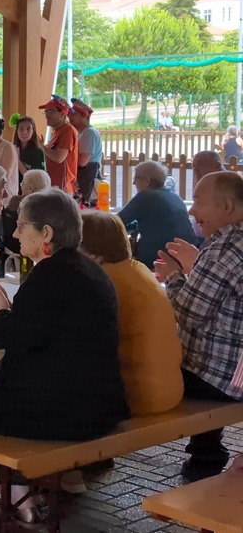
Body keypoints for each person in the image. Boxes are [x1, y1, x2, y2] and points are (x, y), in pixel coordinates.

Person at [0, 188, 129, 533]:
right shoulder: (89, 270)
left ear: (46, 233)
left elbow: (15, 340)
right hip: (97, 404)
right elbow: (39, 336)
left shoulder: (48, 275)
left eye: (22, 226)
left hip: (57, 413)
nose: (15, 233)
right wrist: (8, 311)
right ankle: (19, 493)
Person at [155, 172, 243, 482]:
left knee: (135, 368)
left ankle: (91, 455)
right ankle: (206, 455)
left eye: (199, 202)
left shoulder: (225, 249)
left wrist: (174, 277)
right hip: (236, 374)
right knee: (202, 352)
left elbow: (188, 315)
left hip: (223, 381)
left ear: (227, 207)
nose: (191, 210)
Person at [79, 210, 184, 416]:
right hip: (169, 390)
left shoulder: (101, 282)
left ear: (93, 253)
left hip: (136, 396)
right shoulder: (138, 270)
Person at [118, 160, 195, 265]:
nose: (133, 183)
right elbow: (156, 221)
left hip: (158, 257)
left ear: (147, 181)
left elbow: (114, 221)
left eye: (136, 178)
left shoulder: (144, 197)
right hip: (187, 255)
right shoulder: (175, 196)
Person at [1, 169, 50, 258]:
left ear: (30, 188)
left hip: (14, 248)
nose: (21, 187)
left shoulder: (16, 201)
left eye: (22, 184)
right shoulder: (50, 206)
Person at [39, 96, 78, 193]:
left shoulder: (67, 130)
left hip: (62, 187)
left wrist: (41, 146)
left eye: (51, 111)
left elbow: (59, 158)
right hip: (54, 185)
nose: (47, 115)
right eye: (46, 112)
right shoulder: (55, 131)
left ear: (62, 113)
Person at [12, 115, 46, 184]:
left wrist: (17, 161)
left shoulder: (38, 152)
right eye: (21, 129)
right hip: (14, 190)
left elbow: (33, 179)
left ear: (33, 131)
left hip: (30, 191)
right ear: (17, 130)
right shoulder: (11, 148)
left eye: (28, 129)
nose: (24, 132)